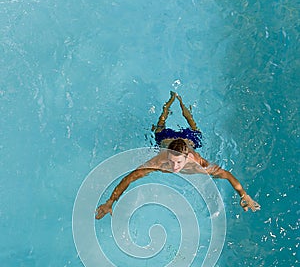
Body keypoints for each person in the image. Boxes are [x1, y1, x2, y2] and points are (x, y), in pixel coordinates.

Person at [95, 92, 260, 220]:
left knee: (194, 127)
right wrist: (110, 201)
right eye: (171, 162)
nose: (174, 167)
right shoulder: (160, 162)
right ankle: (167, 105)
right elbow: (129, 178)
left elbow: (226, 175)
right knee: (159, 127)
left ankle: (182, 104)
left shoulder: (196, 163)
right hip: (166, 139)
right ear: (167, 156)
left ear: (186, 157)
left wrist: (243, 194)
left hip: (189, 140)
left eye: (178, 163)